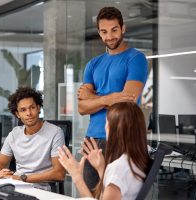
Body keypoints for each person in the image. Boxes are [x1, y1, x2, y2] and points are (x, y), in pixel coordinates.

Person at [77, 6, 148, 189]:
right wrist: (109, 99)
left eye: (114, 30)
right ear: (99, 33)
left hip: (121, 137)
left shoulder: (136, 58)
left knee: (115, 193)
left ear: (123, 28)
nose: (109, 36)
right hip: (92, 138)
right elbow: (82, 108)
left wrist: (94, 98)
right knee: (89, 193)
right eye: (104, 31)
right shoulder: (93, 64)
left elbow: (127, 102)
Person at [58, 102, 152, 200]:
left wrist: (77, 176)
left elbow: (116, 177)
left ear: (114, 129)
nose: (105, 126)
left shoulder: (118, 168)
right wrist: (101, 168)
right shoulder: (138, 158)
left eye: (106, 122)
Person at [0, 86, 65, 191]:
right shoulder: (14, 134)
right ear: (18, 114)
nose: (29, 113)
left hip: (40, 189)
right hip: (15, 186)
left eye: (32, 107)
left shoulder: (55, 133)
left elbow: (59, 173)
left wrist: (23, 178)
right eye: (23, 110)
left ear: (39, 108)